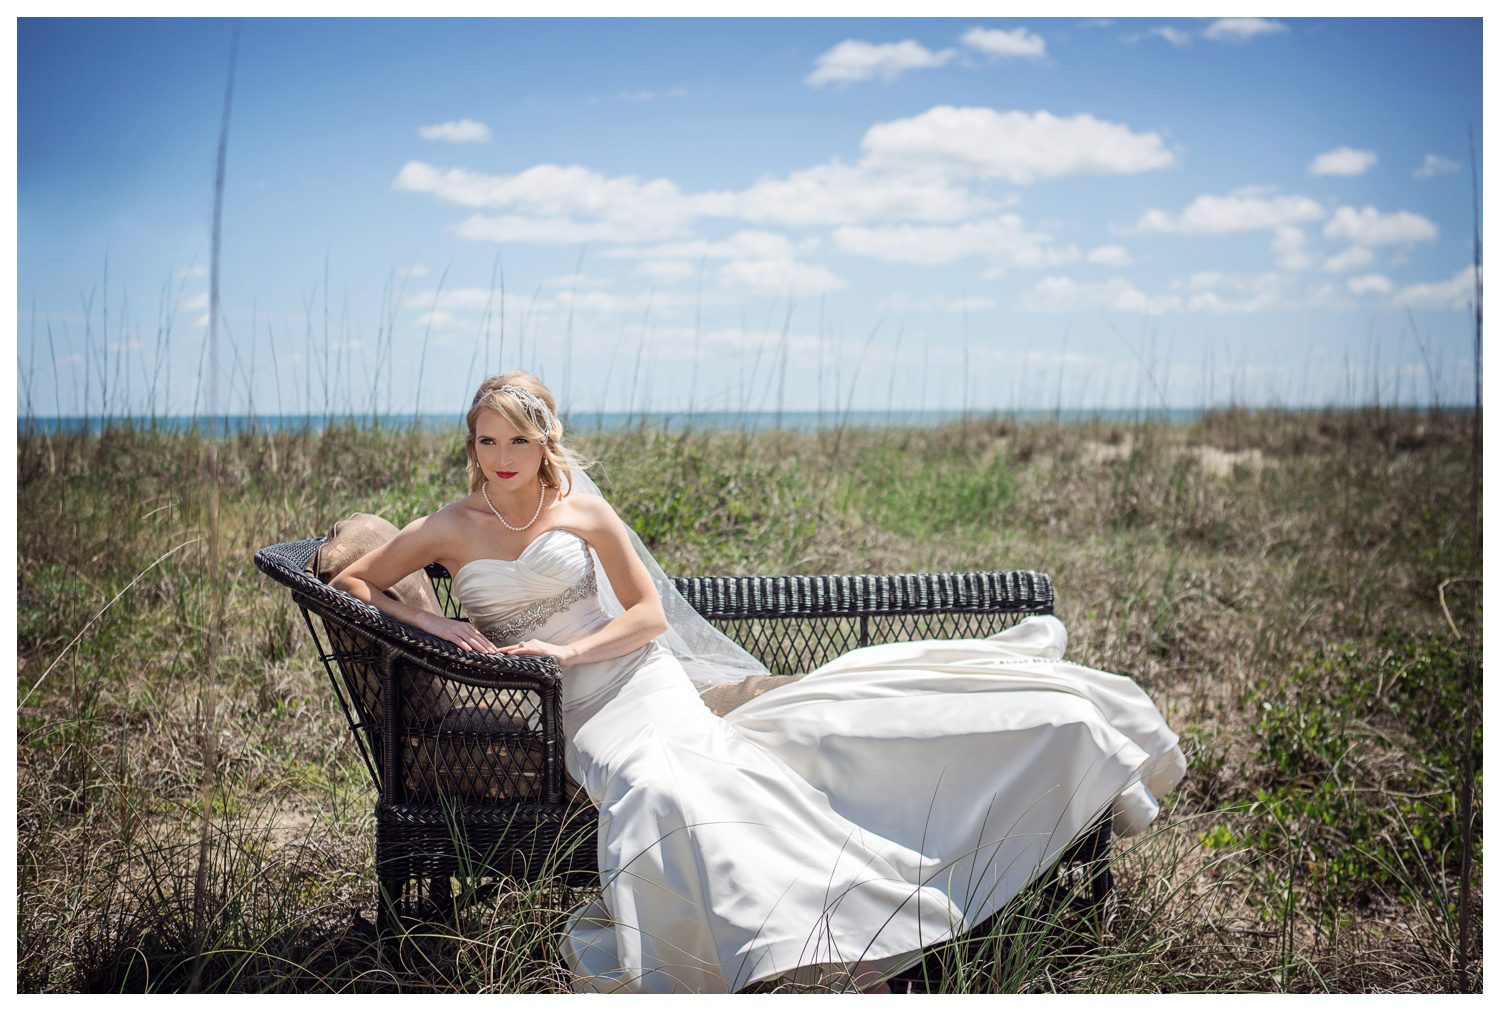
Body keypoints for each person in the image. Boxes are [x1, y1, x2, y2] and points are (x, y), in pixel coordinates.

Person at [332, 370, 1188, 994]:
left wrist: (563, 655)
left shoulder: (581, 514)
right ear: (471, 444)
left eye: (520, 438)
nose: (503, 456)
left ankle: (831, 927)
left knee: (700, 771)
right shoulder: (448, 525)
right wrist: (440, 623)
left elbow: (646, 617)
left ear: (546, 442)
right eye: (488, 439)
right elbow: (352, 582)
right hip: (574, 717)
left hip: (631, 675)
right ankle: (770, 942)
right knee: (650, 785)